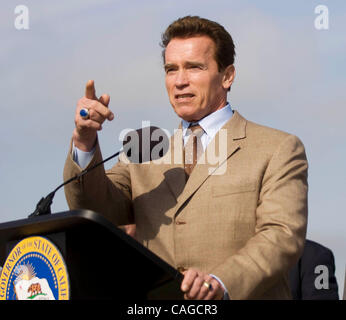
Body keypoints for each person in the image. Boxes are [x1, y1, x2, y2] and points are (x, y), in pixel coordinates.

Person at [63, 16, 308, 300]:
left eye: (194, 67)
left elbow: (281, 236)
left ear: (227, 76)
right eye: (171, 69)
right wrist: (84, 140)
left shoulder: (278, 148)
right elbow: (95, 208)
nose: (180, 81)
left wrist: (221, 283)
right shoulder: (143, 148)